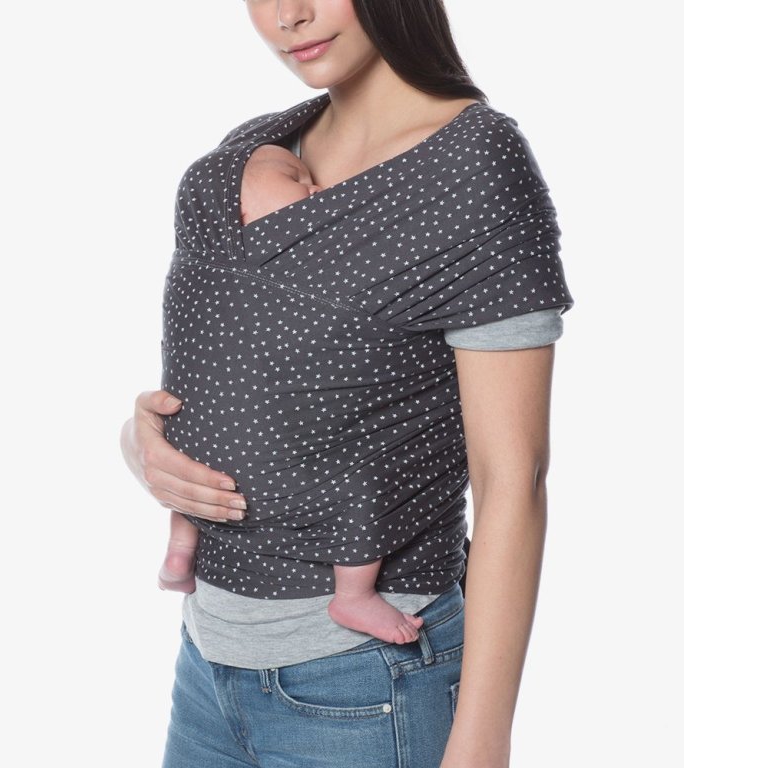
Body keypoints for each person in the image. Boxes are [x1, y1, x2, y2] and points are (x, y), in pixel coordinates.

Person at [122, 1, 574, 765]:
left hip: (367, 682)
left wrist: (481, 741)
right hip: (206, 665)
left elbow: (514, 478)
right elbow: (234, 365)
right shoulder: (258, 148)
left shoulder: (472, 166)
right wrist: (142, 445)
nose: (288, 16)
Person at [158, 138, 428, 644]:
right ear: (236, 211)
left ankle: (179, 551)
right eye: (294, 179)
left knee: (193, 475)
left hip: (199, 435)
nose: (317, 188)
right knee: (363, 487)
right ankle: (353, 595)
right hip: (274, 454)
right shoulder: (220, 262)